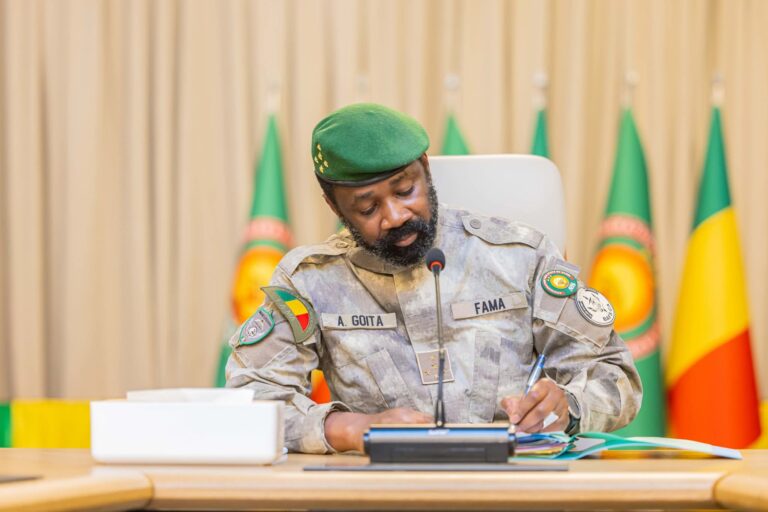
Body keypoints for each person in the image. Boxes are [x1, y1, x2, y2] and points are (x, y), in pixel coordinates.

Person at [226, 103, 642, 454]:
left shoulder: (519, 257)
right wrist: (351, 428)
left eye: (405, 190)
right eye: (367, 209)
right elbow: (252, 400)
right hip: (378, 494)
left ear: (425, 169)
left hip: (514, 489)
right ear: (335, 207)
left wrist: (568, 407)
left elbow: (615, 376)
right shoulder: (311, 281)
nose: (395, 216)